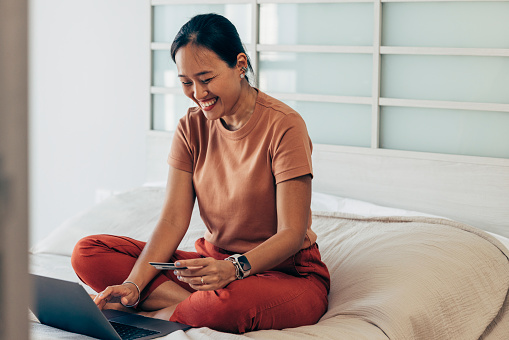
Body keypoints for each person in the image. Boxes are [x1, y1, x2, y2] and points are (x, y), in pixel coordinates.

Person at [71, 13, 330, 334]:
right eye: (185, 82)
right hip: (209, 267)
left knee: (225, 305)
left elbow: (292, 232)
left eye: (206, 79)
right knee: (88, 252)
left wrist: (233, 269)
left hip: (284, 274)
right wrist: (134, 285)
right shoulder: (190, 127)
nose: (197, 93)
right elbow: (172, 220)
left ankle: (161, 314)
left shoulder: (284, 125)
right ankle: (183, 305)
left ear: (240, 64)